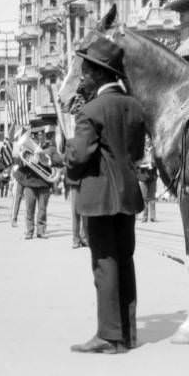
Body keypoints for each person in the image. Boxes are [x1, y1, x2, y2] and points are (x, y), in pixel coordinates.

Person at [66, 36, 147, 354]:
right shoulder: (134, 106)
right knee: (125, 260)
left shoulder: (91, 110)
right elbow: (137, 153)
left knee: (104, 264)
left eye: (86, 72)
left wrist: (67, 146)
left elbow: (80, 156)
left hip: (99, 195)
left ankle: (109, 336)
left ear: (100, 74)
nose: (82, 78)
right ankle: (127, 333)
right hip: (127, 194)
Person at [17, 131, 55, 239]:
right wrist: (26, 161)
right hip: (30, 182)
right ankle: (29, 231)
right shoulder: (26, 150)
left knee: (42, 209)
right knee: (29, 208)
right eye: (36, 137)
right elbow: (19, 164)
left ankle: (41, 231)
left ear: (43, 137)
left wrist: (43, 159)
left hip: (44, 183)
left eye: (41, 136)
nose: (39, 139)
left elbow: (54, 164)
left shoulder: (49, 149)